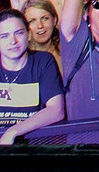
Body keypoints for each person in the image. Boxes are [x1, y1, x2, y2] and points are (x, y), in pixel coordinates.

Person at [0, 9, 64, 144]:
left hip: (34, 146)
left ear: (28, 35)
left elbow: (56, 110)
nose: (13, 41)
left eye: (18, 33)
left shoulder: (43, 61)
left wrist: (13, 131)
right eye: (4, 36)